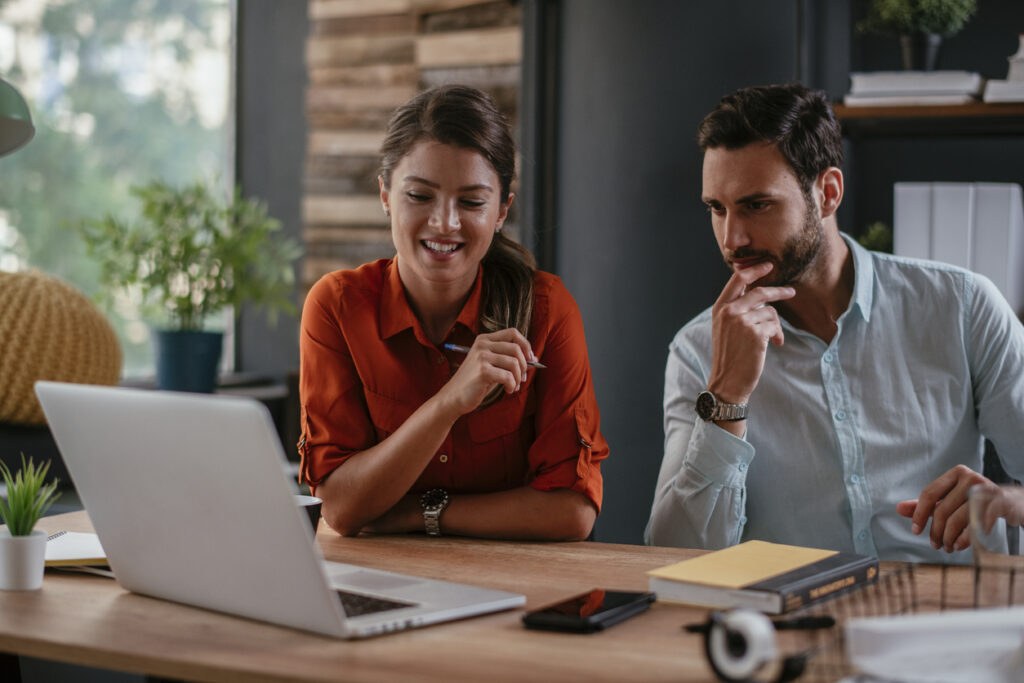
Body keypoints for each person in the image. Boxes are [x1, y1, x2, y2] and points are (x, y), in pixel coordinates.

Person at [645, 83, 1024, 562]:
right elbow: (672, 552)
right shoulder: (698, 351)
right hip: (793, 623)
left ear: (827, 192)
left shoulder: (962, 308)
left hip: (942, 619)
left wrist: (1009, 501)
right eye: (717, 209)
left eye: (756, 205)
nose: (732, 238)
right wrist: (726, 400)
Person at [298, 84, 608, 541]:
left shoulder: (546, 309)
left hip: (519, 583)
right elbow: (341, 508)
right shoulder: (337, 307)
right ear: (385, 194)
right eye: (420, 196)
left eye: (472, 202)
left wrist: (413, 516)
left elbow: (572, 510)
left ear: (503, 209)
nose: (445, 223)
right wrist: (448, 404)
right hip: (386, 580)